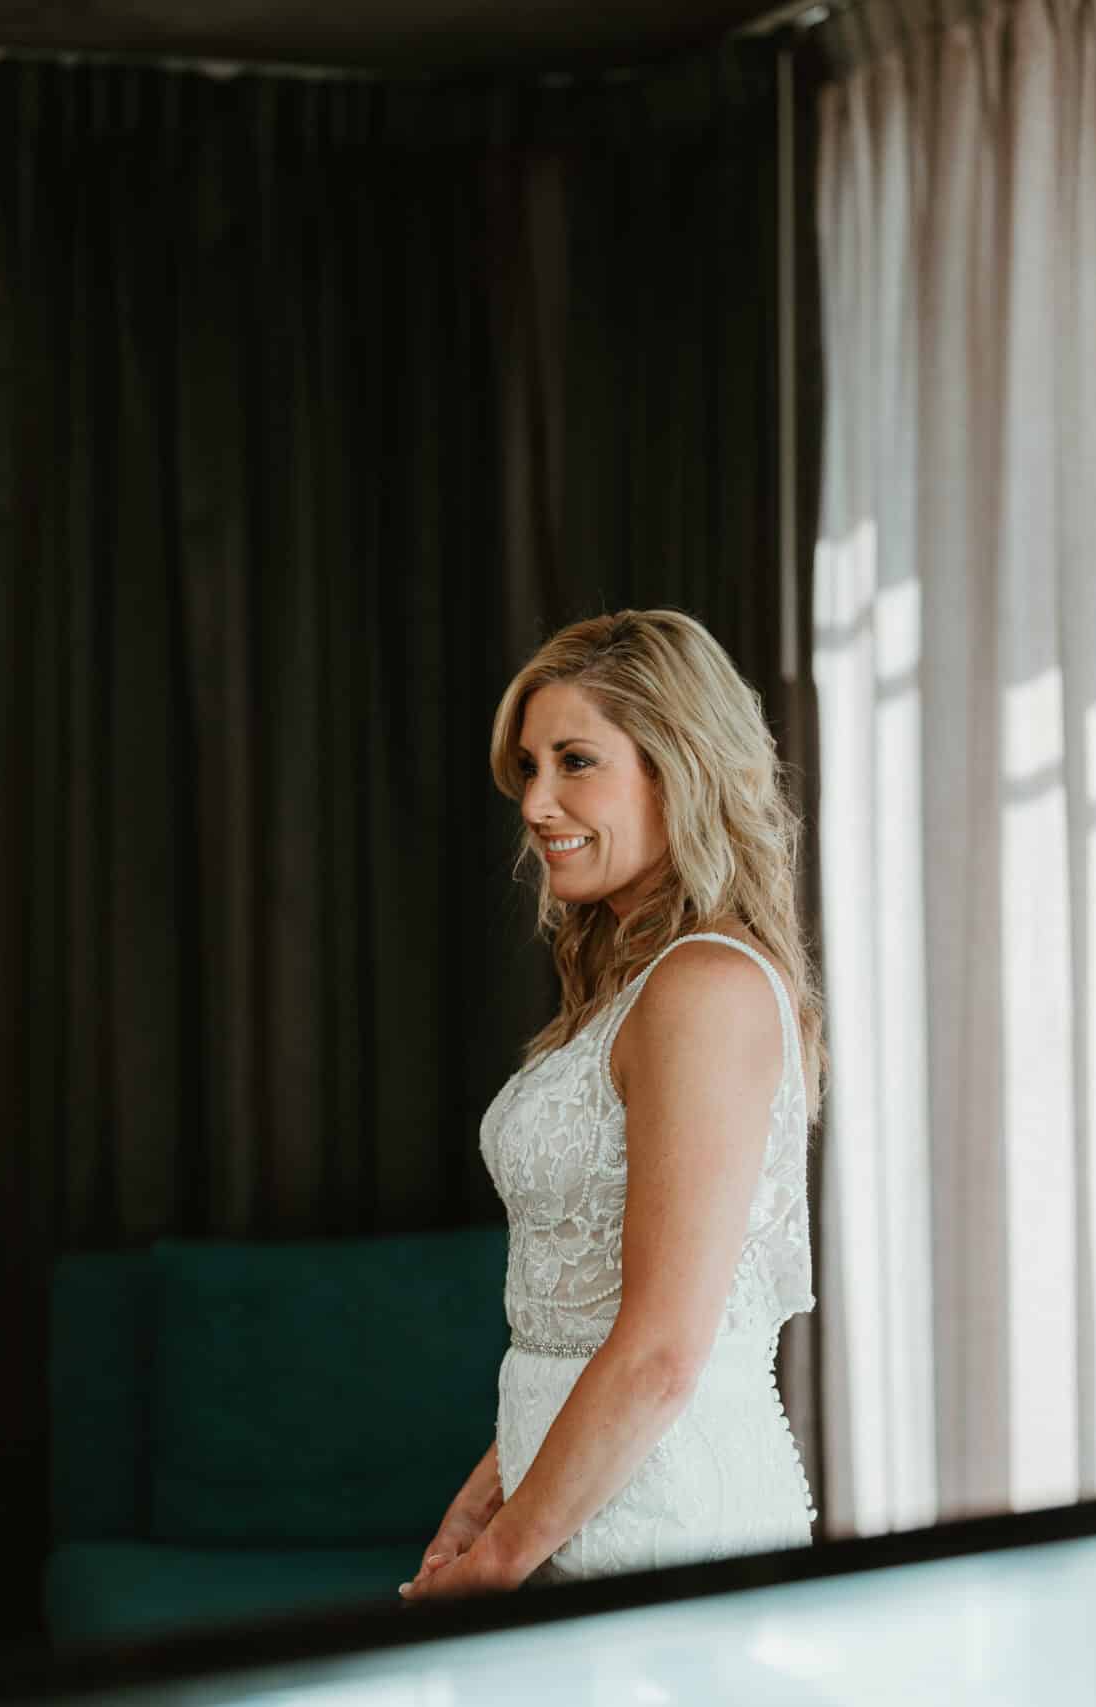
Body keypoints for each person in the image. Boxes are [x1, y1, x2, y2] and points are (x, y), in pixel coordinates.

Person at [400, 608, 825, 1600]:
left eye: (575, 761)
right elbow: (574, 1320)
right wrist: (488, 1495)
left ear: (675, 766)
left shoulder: (704, 988)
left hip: (660, 1528)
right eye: (530, 768)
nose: (537, 803)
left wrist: (496, 1563)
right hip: (572, 1502)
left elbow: (665, 1348)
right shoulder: (634, 987)